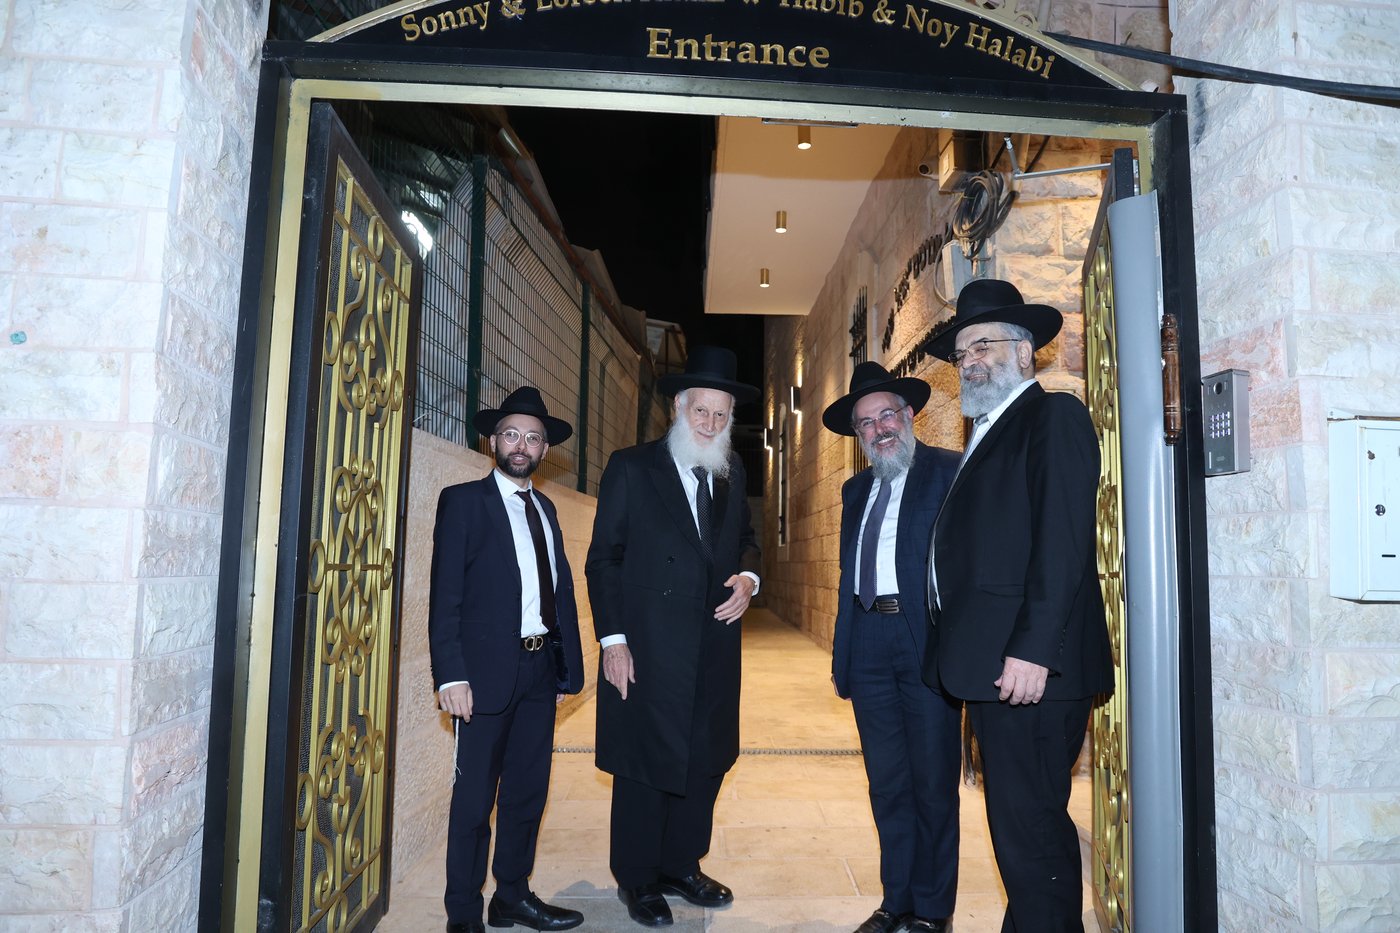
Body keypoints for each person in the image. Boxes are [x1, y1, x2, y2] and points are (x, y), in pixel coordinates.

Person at [922, 279, 1113, 933]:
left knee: (1031, 836)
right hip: (995, 668)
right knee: (1020, 832)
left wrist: (1033, 649)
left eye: (985, 345)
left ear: (1026, 352)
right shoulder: (990, 430)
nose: (969, 360)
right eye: (963, 352)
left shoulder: (1052, 418)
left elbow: (1062, 543)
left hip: (1030, 671)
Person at [586, 345, 761, 928]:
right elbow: (603, 560)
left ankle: (681, 865)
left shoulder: (731, 474)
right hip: (648, 646)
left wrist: (749, 579)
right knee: (646, 762)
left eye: (720, 414)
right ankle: (638, 878)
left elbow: (745, 541)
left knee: (706, 760)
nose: (709, 423)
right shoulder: (632, 468)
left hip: (715, 644)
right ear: (679, 409)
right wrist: (613, 640)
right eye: (700, 411)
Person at [428, 386, 587, 933]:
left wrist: (565, 669)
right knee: (474, 803)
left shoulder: (546, 508)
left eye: (533, 438)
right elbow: (445, 597)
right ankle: (463, 914)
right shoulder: (463, 502)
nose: (522, 445)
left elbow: (558, 593)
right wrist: (450, 675)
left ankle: (512, 897)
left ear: (545, 450)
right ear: (493, 441)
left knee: (527, 793)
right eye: (512, 434)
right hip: (483, 678)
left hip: (539, 673)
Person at [821, 362, 962, 933]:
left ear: (909, 416)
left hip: (922, 640)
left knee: (933, 784)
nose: (879, 429)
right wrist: (844, 654)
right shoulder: (855, 490)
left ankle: (931, 911)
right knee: (887, 784)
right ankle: (895, 901)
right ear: (858, 435)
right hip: (868, 641)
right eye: (866, 423)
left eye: (886, 416)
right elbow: (847, 575)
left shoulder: (948, 471)